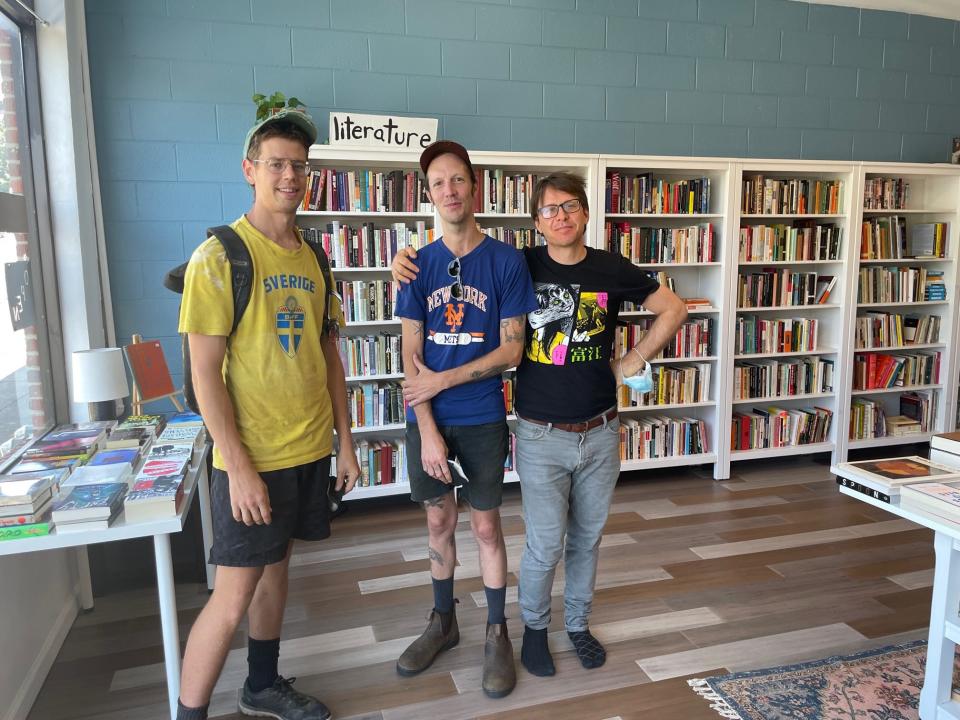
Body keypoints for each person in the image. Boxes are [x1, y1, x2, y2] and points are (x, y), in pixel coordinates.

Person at [392, 171, 687, 677]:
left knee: (587, 537)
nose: (562, 217)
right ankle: (532, 628)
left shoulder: (612, 268)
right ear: (536, 223)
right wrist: (403, 262)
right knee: (545, 542)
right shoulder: (517, 263)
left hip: (601, 429)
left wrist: (632, 361)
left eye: (571, 206)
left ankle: (576, 624)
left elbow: (674, 309)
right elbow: (463, 260)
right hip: (540, 432)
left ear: (588, 212)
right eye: (550, 210)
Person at [175, 107, 360, 720]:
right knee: (232, 596)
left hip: (308, 449)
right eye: (277, 164)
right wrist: (237, 466)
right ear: (249, 169)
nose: (290, 176)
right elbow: (205, 375)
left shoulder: (314, 257)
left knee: (277, 570)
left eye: (299, 166)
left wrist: (348, 440)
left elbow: (329, 353)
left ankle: (261, 685)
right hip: (251, 459)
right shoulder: (219, 256)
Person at [392, 140, 538, 698]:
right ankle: (443, 621)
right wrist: (427, 426)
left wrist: (445, 381)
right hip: (430, 419)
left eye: (457, 180)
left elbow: (512, 352)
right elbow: (411, 356)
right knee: (437, 523)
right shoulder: (416, 266)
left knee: (484, 525)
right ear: (428, 195)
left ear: (474, 187)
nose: (448, 191)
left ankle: (497, 630)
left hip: (481, 416)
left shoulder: (505, 262)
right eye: (437, 184)